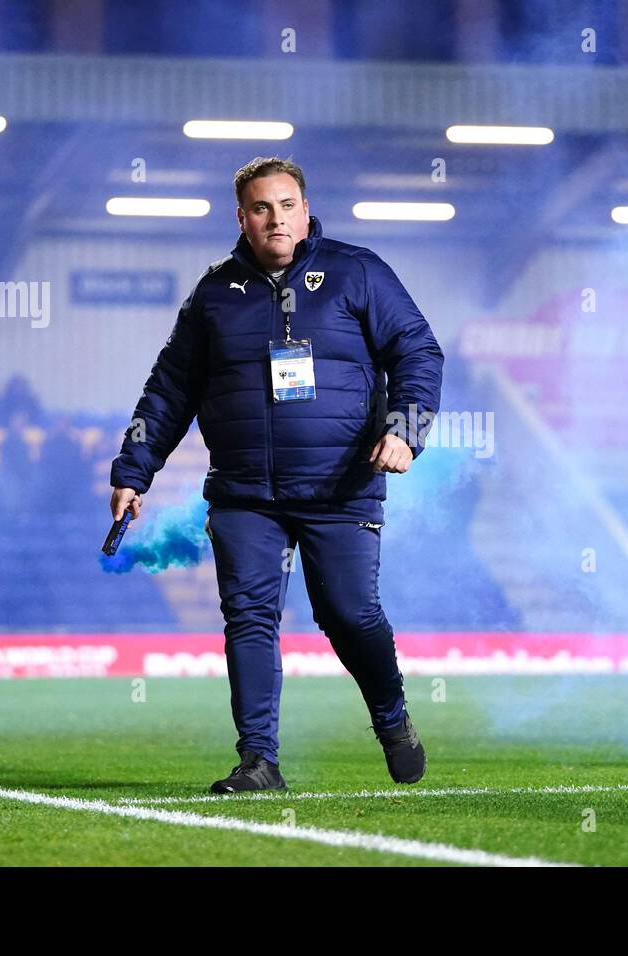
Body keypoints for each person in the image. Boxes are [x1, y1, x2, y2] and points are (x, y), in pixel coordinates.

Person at [109, 156, 444, 793]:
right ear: (242, 217)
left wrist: (406, 429)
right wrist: (134, 470)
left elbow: (418, 351)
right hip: (244, 495)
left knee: (348, 613)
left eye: (287, 205)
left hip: (341, 487)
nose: (276, 219)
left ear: (306, 207)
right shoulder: (212, 295)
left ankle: (391, 716)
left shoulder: (358, 272)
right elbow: (169, 391)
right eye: (262, 208)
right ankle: (259, 761)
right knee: (250, 618)